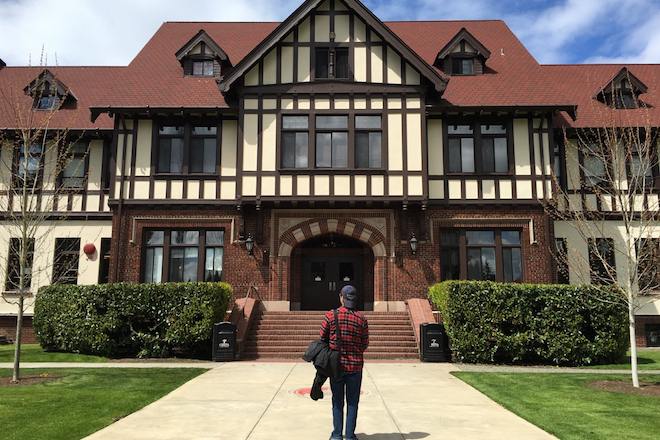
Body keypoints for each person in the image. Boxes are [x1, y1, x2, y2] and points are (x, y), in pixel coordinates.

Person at [320, 285, 369, 440]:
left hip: (336, 366)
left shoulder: (331, 315)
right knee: (353, 402)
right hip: (355, 366)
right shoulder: (361, 319)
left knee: (337, 400)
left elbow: (322, 337)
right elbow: (365, 344)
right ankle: (350, 435)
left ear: (341, 297)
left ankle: (336, 435)